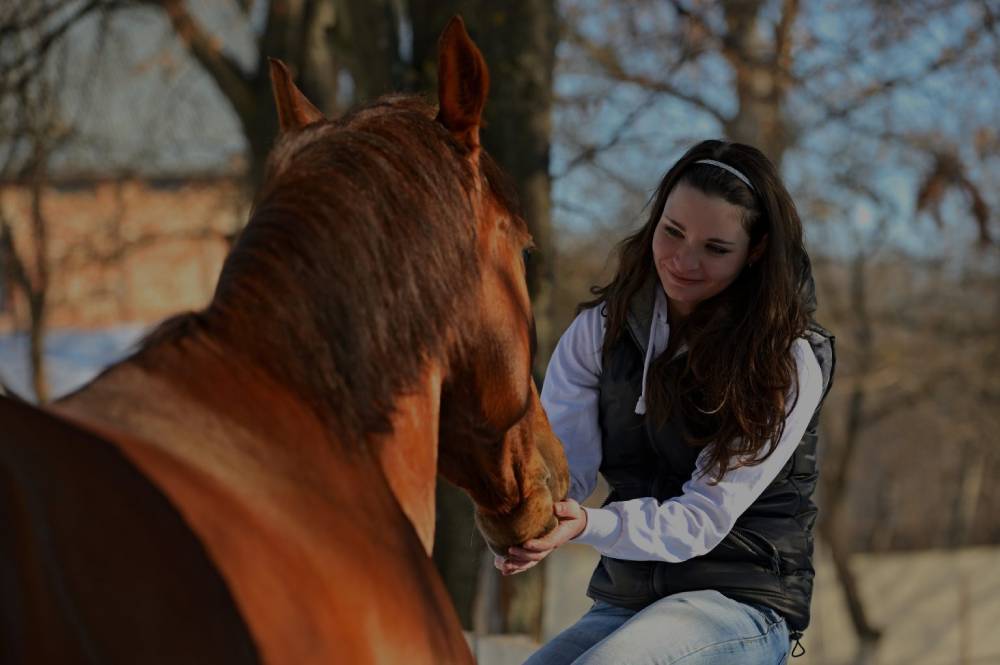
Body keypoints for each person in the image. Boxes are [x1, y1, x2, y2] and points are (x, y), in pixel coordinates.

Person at [497, 140, 836, 664]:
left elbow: (701, 519)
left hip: (738, 605)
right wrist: (527, 512)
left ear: (757, 250)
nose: (682, 261)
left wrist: (589, 525)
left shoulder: (784, 362)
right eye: (672, 232)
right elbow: (565, 468)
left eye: (715, 248)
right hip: (628, 600)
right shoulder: (600, 331)